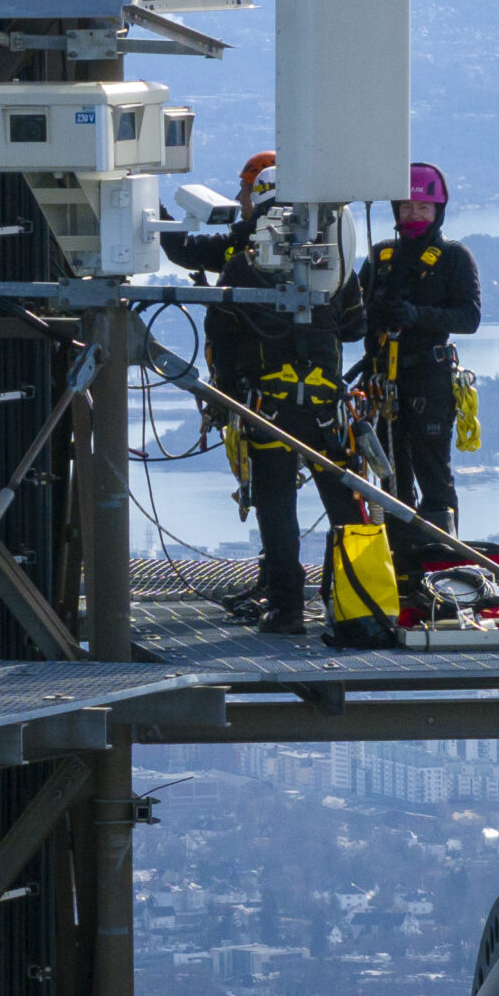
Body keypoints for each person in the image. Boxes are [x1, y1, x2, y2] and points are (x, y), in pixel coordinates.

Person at [164, 152, 366, 635]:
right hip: (325, 411)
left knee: (277, 509)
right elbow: (356, 326)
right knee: (345, 507)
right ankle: (360, 605)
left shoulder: (243, 266)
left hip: (268, 409)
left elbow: (224, 339)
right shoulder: (336, 267)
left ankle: (287, 609)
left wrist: (224, 396)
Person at [359, 162, 481, 577]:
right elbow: (352, 315)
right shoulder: (381, 258)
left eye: (423, 208)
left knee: (433, 473)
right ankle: (401, 564)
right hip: (382, 381)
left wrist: (418, 315)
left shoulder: (453, 257)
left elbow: (469, 317)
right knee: (392, 477)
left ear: (438, 212)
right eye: (407, 206)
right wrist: (373, 314)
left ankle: (446, 566)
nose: (414, 215)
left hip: (427, 377)